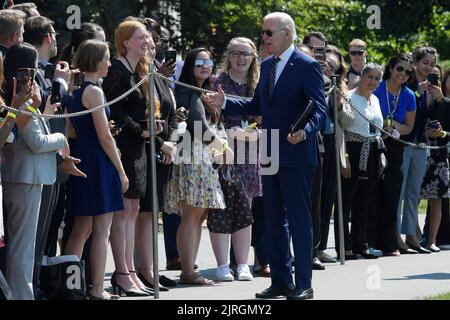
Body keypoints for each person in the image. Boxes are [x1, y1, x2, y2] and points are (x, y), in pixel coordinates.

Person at [205, 12, 326, 300]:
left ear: (287, 33)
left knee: (299, 218)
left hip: (296, 152)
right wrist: (225, 102)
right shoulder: (269, 64)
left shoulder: (307, 65)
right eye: (263, 32)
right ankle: (281, 281)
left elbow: (319, 109)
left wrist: (305, 132)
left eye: (268, 33)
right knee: (273, 219)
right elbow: (257, 104)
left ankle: (304, 284)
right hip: (269, 150)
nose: (264, 38)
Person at [1, 43, 68, 300]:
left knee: (19, 245)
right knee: (22, 246)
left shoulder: (12, 91)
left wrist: (43, 110)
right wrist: (63, 138)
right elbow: (36, 141)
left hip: (19, 175)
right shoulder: (20, 96)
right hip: (25, 176)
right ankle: (22, 295)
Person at [64, 40, 128, 300]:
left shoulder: (74, 91)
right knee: (100, 230)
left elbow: (71, 130)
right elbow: (104, 137)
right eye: (107, 58)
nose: (110, 63)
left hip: (81, 157)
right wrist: (121, 171)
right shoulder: (95, 92)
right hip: (99, 161)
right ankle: (97, 289)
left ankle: (70, 288)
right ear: (96, 60)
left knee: (81, 230)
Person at [165, 47, 233, 285]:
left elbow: (212, 126)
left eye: (209, 61)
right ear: (190, 66)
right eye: (199, 62)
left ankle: (188, 268)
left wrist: (222, 146)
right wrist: (224, 150)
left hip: (204, 158)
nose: (205, 65)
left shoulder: (204, 91)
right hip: (193, 157)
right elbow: (198, 128)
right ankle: (187, 272)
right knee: (192, 216)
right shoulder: (187, 90)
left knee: (198, 216)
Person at [102, 20, 153, 296]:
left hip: (138, 147)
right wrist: (140, 130)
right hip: (125, 145)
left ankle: (131, 270)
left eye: (146, 37)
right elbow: (115, 111)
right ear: (125, 42)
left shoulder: (138, 70)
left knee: (132, 210)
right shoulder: (118, 71)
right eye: (140, 37)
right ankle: (122, 273)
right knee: (123, 212)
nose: (146, 41)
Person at [209, 37, 261, 282]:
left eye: (246, 54)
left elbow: (267, 119)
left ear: (253, 59)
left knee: (245, 208)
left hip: (251, 152)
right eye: (236, 53)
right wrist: (225, 136)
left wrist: (253, 135)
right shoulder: (216, 83)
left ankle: (242, 264)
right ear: (228, 56)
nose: (241, 59)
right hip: (222, 152)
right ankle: (222, 265)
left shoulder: (258, 85)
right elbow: (208, 119)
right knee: (222, 207)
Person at [371, 53, 416, 256]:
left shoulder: (409, 95)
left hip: (396, 145)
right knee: (371, 192)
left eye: (408, 72)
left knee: (391, 193)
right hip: (373, 141)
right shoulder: (377, 87)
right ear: (391, 68)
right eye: (400, 69)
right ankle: (368, 241)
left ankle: (389, 243)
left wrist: (397, 128)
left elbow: (409, 126)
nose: (403, 74)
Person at [339, 63, 384, 259]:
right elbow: (342, 129)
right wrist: (345, 159)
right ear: (362, 76)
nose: (372, 81)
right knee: (347, 201)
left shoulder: (374, 99)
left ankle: (361, 244)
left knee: (365, 201)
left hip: (372, 150)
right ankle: (345, 246)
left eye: (377, 78)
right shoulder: (348, 97)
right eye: (370, 77)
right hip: (352, 149)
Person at [398, 46, 439, 254]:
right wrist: (418, 91)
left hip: (422, 144)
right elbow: (401, 107)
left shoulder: (433, 87)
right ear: (415, 62)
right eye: (425, 63)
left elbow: (430, 115)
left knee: (414, 193)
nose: (429, 67)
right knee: (400, 191)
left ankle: (412, 236)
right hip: (405, 143)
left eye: (432, 64)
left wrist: (438, 98)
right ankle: (396, 235)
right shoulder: (407, 81)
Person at [420, 65, 450, 252]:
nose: (434, 81)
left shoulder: (444, 101)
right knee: (412, 195)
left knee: (438, 197)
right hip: (419, 148)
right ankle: (416, 238)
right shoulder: (420, 95)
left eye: (436, 77)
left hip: (440, 153)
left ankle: (433, 239)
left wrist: (443, 134)